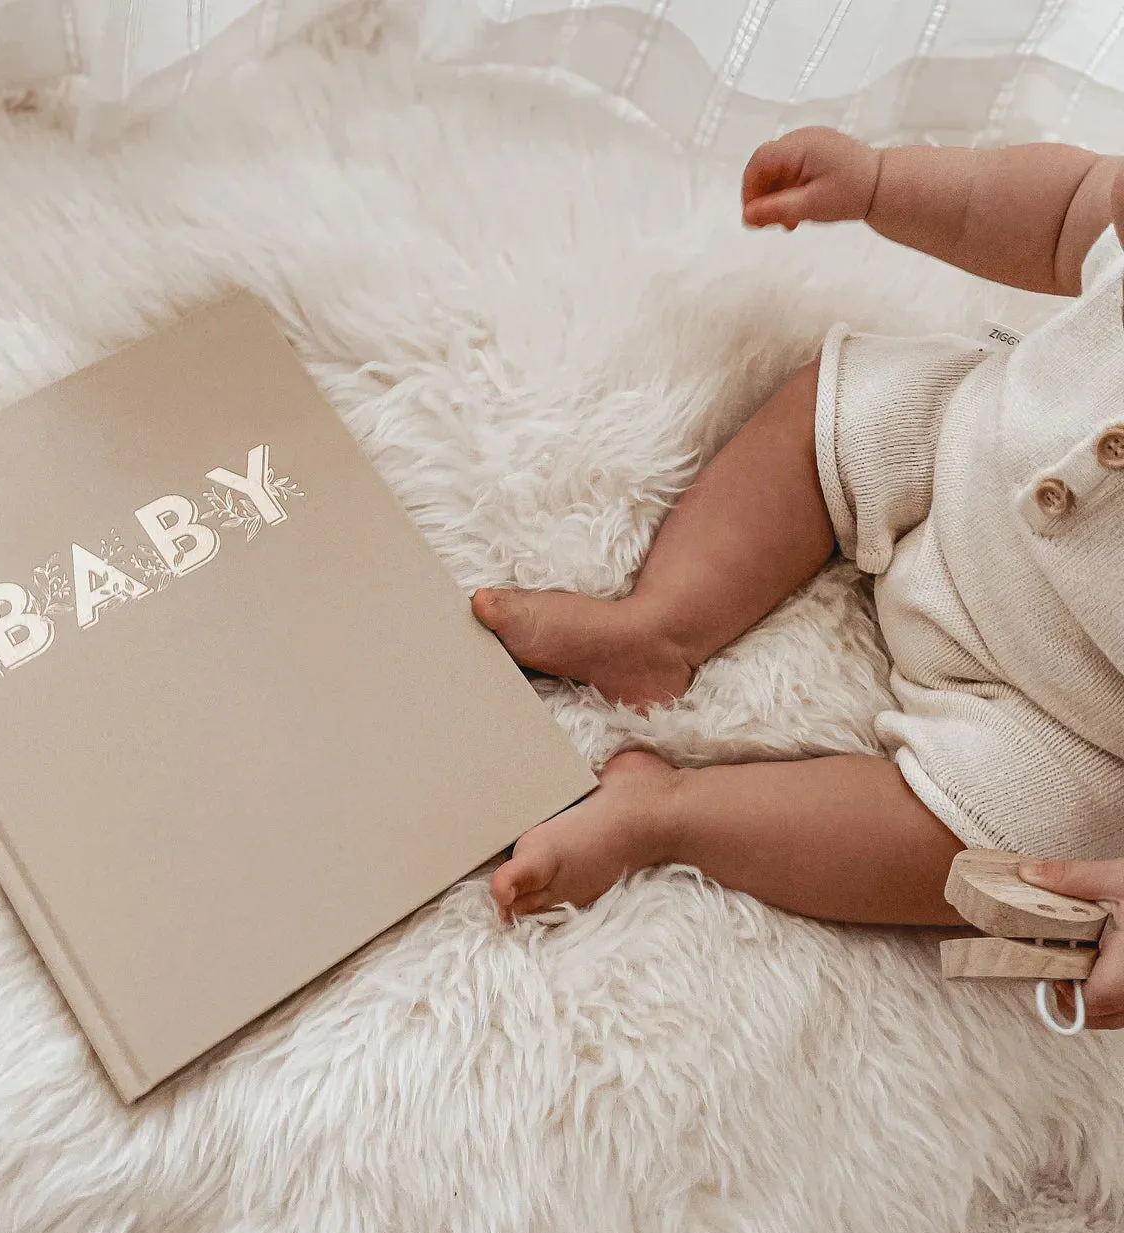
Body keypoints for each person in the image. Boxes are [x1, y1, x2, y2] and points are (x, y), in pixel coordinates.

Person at [470, 126, 1124, 1029]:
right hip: (958, 449)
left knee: (1013, 852)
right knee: (843, 402)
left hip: (1063, 712)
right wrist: (883, 182)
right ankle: (658, 629)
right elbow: (1057, 211)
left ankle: (667, 812)